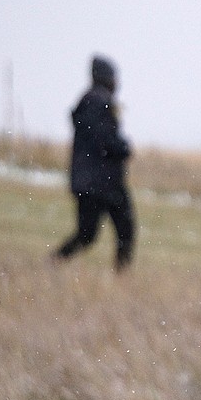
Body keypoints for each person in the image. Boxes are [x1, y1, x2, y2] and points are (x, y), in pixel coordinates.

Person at [52, 54, 135, 271]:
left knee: (87, 235)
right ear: (106, 78)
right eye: (114, 77)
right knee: (125, 230)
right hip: (105, 183)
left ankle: (54, 261)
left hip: (88, 182)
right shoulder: (100, 102)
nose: (117, 82)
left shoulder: (88, 101)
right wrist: (123, 148)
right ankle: (121, 277)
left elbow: (94, 138)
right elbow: (104, 140)